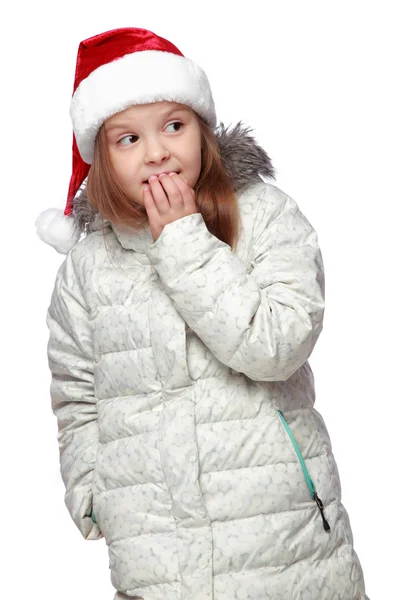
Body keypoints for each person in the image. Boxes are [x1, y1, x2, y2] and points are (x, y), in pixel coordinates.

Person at [35, 27, 370, 600]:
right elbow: (76, 390)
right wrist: (94, 490)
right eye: (127, 139)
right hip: (156, 552)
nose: (157, 151)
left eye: (174, 125)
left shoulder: (263, 216)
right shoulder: (88, 268)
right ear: (101, 159)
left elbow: (279, 343)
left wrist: (186, 242)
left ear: (203, 130)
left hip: (282, 539)